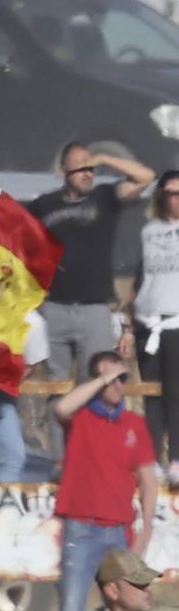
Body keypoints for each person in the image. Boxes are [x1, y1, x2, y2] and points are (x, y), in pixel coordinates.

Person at [48, 351, 162, 611]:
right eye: (112, 379)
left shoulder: (134, 424)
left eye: (122, 378)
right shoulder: (81, 418)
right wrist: (102, 376)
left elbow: (148, 481)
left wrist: (146, 532)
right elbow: (61, 407)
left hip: (119, 533)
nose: (117, 384)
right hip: (81, 531)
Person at [29, 143, 153, 389]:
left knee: (98, 383)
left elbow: (146, 177)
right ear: (64, 170)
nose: (88, 173)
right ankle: (59, 429)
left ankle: (91, 429)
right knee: (58, 386)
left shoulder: (105, 196)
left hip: (94, 309)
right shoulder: (44, 205)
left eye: (92, 168)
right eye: (81, 168)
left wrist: (104, 157)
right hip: (54, 308)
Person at [137, 169, 179, 459]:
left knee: (175, 394)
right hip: (149, 322)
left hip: (177, 320)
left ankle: (177, 459)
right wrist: (129, 325)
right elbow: (141, 278)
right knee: (151, 395)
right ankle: (151, 460)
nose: (176, 199)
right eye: (171, 193)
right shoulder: (148, 231)